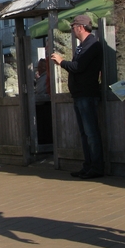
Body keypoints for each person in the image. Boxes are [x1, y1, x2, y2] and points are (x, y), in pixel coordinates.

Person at [51, 15, 104, 179]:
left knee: (91, 133)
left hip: (87, 94)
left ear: (80, 27)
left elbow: (79, 67)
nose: (72, 30)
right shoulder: (83, 46)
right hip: (80, 95)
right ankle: (88, 165)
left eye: (73, 26)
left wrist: (62, 62)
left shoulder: (93, 45)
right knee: (84, 133)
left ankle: (96, 167)